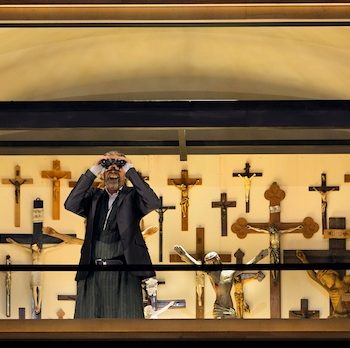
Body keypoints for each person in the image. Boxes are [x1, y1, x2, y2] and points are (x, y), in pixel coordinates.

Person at [64, 150, 161, 319]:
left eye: (118, 167)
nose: (113, 170)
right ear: (102, 174)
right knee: (88, 326)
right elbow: (71, 203)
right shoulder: (94, 197)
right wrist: (95, 168)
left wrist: (130, 169)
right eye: (108, 167)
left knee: (126, 326)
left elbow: (153, 202)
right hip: (92, 271)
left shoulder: (132, 197)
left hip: (124, 272)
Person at [174, 245, 268, 319]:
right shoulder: (211, 273)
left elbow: (247, 266)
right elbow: (195, 265)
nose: (211, 265)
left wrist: (260, 256)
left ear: (217, 260)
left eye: (212, 262)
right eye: (208, 263)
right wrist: (184, 254)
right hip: (219, 309)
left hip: (230, 309)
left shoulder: (230, 272)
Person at [6, 237, 66, 315]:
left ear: (37, 246)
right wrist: (13, 242)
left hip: (40, 271)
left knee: (40, 288)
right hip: (34, 271)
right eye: (32, 246)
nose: (32, 247)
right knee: (34, 288)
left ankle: (39, 305)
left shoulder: (43, 251)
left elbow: (55, 247)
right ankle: (36, 304)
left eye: (34, 246)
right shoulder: (31, 252)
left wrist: (64, 243)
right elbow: (21, 247)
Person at [296, 250, 350, 318]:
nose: (324, 280)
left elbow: (315, 276)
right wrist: (304, 260)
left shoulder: (346, 280)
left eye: (324, 274)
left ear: (332, 273)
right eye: (323, 279)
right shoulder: (331, 291)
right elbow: (313, 276)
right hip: (338, 317)